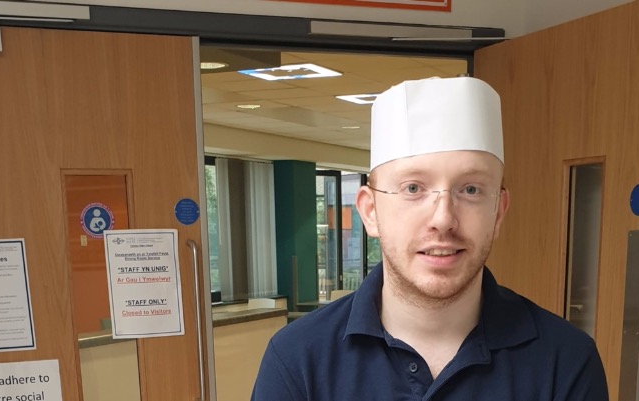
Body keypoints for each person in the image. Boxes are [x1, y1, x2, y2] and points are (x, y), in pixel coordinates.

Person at [251, 77, 608, 400]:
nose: (443, 219)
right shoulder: (298, 359)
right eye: (413, 188)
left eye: (470, 189)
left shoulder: (566, 361)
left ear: (498, 211)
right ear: (371, 211)